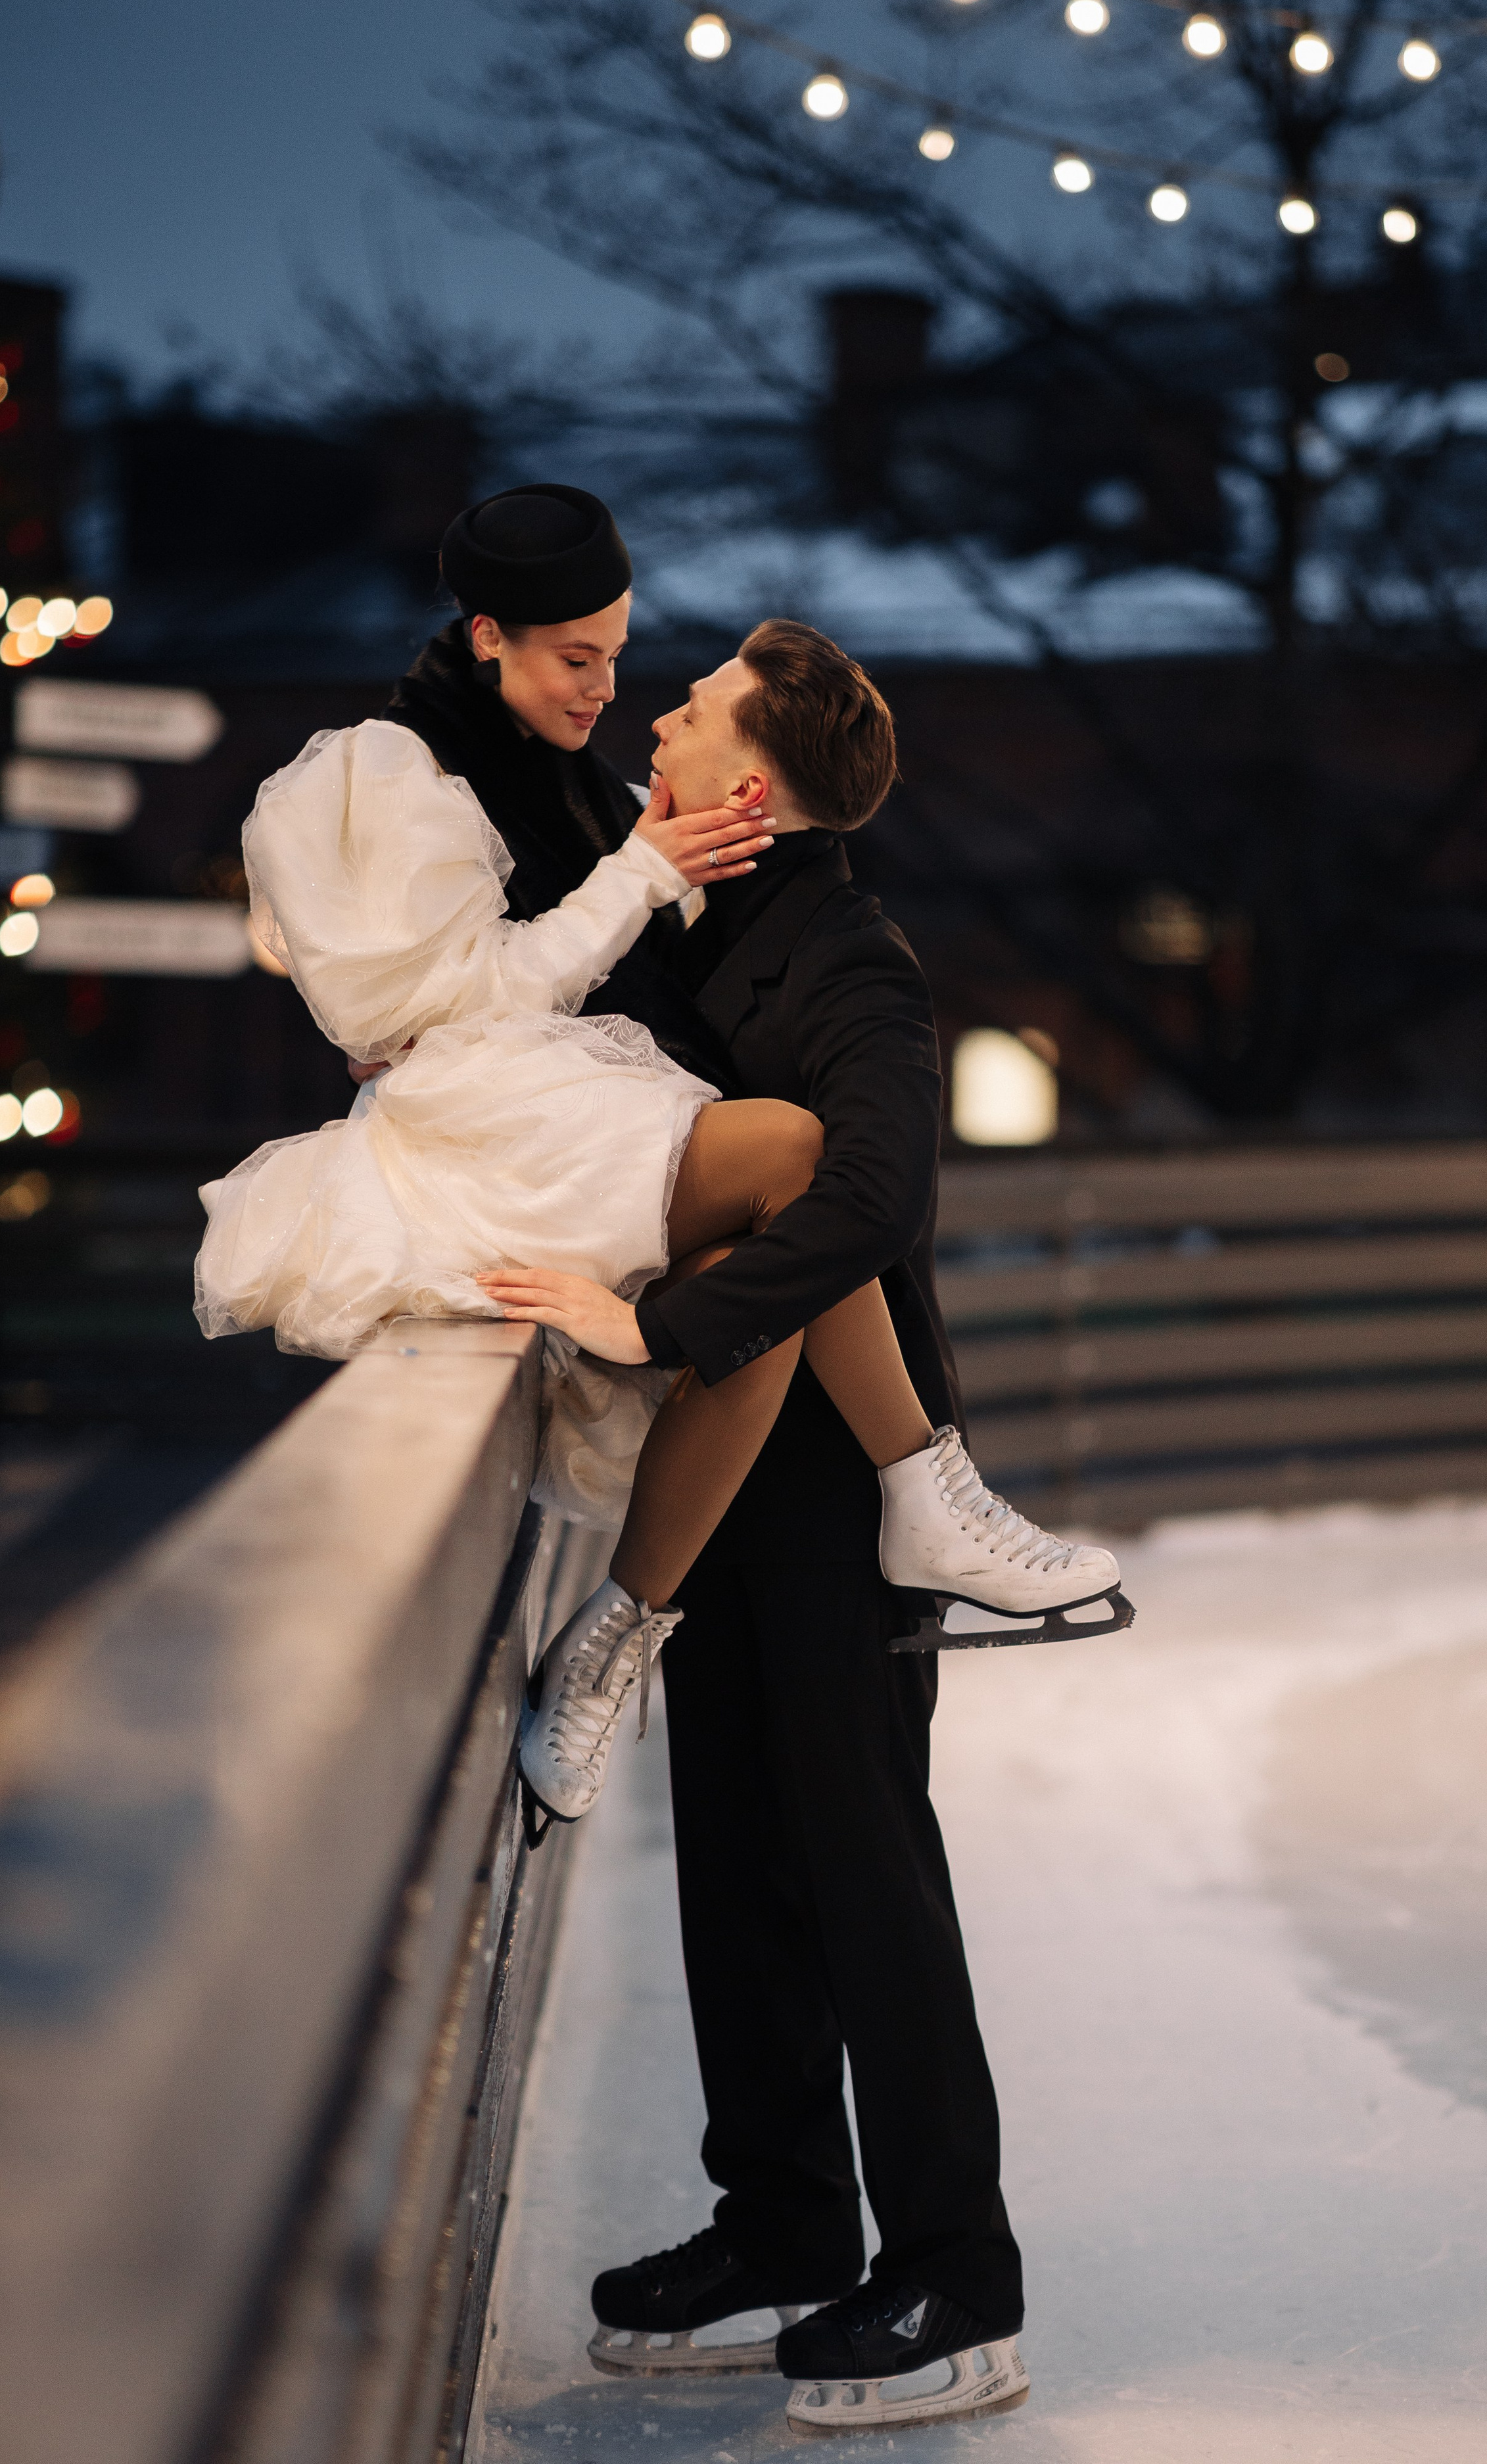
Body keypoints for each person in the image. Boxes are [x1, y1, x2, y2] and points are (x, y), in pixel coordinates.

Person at [194, 488, 1125, 1827]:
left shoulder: (575, 778)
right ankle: (921, 1488)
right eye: (576, 658)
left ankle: (621, 1632)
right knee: (792, 1156)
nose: (609, 689)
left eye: (619, 655)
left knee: (764, 1291)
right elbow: (436, 1014)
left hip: (557, 1118)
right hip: (480, 1136)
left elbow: (674, 905)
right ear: (487, 637)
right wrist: (634, 871)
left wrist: (674, 854)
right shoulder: (385, 775)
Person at [483, 619, 1056, 2434]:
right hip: (721, 1484)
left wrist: (659, 1326)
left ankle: (962, 2279)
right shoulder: (674, 925)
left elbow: (877, 1185)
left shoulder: (851, 960)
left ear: (758, 781)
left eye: (698, 704)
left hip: (842, 1510)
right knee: (737, 1861)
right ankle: (792, 2223)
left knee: (865, 1874)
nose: (659, 713)